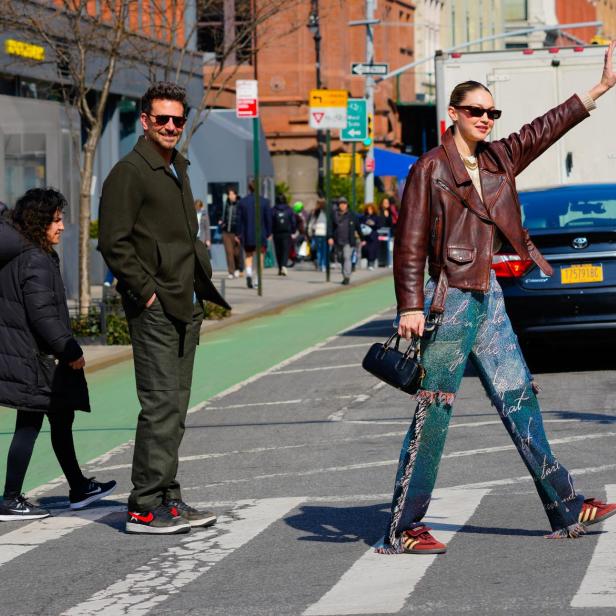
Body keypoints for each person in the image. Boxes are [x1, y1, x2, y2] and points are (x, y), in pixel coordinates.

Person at [377, 42, 616, 555]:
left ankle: (565, 502)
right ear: (454, 115)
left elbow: (545, 128)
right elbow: (410, 242)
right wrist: (410, 306)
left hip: (489, 295)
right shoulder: (430, 171)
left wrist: (598, 88)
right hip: (451, 300)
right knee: (435, 409)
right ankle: (402, 526)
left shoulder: (498, 159)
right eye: (476, 111)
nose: (486, 119)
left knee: (518, 396)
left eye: (492, 112)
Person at [99, 82, 230, 535]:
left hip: (184, 302)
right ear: (145, 121)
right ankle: (143, 506)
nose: (171, 126)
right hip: (156, 307)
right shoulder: (130, 172)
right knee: (159, 406)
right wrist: (146, 292)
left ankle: (167, 497)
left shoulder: (177, 166)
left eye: (178, 119)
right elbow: (113, 243)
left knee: (175, 406)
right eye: (162, 119)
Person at [0, 188, 116, 521]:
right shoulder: (34, 259)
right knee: (29, 424)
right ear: (40, 222)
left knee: (61, 418)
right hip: (35, 358)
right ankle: (10, 498)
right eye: (56, 219)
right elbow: (42, 315)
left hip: (36, 357)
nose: (62, 226)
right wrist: (70, 349)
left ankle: (79, 487)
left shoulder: (31, 253)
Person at [235, 180, 272, 289]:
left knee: (248, 255)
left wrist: (238, 234)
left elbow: (239, 220)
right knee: (260, 257)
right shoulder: (264, 202)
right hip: (261, 234)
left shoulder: (242, 202)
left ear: (249, 188)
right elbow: (268, 219)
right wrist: (269, 232)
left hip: (248, 234)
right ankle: (257, 280)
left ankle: (249, 274)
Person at [328, 197, 362, 285]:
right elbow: (330, 227)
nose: (342, 205)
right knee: (341, 258)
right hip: (338, 240)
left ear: (347, 205)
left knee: (347, 257)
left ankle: (347, 276)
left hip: (348, 241)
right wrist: (330, 237)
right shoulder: (334, 214)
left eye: (344, 203)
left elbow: (358, 227)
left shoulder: (352, 215)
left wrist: (362, 238)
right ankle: (344, 275)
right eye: (341, 203)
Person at [220, 186, 243, 279]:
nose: (230, 196)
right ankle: (231, 271)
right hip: (226, 232)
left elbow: (242, 219)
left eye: (231, 194)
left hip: (236, 233)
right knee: (229, 252)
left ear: (235, 194)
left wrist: (239, 234)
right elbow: (223, 215)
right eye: (229, 194)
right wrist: (222, 222)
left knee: (237, 253)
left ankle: (238, 268)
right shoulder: (226, 204)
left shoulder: (240, 204)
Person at [271, 194, 296, 276]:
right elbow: (293, 221)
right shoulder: (289, 210)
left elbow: (270, 221)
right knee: (285, 250)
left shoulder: (273, 210)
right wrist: (293, 231)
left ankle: (279, 267)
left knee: (278, 251)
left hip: (276, 233)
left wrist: (270, 231)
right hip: (286, 233)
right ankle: (284, 265)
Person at [308, 199, 328, 272]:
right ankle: (323, 265)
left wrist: (310, 232)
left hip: (317, 232)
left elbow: (311, 223)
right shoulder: (326, 212)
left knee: (319, 250)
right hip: (325, 232)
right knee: (325, 250)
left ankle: (320, 265)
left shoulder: (315, 212)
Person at [360, 203, 381, 270]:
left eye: (371, 209)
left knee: (372, 250)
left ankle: (371, 264)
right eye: (368, 209)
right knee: (366, 250)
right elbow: (360, 224)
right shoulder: (363, 217)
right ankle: (368, 263)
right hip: (365, 236)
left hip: (373, 236)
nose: (369, 210)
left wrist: (373, 224)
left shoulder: (376, 217)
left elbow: (379, 226)